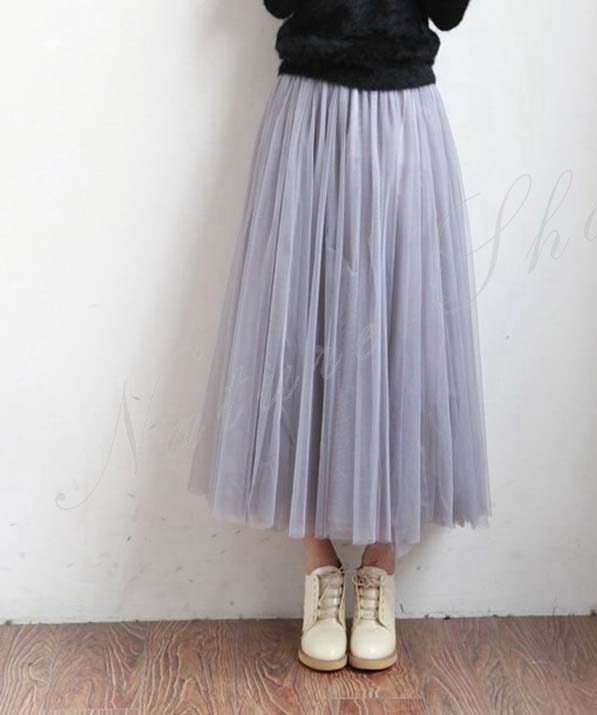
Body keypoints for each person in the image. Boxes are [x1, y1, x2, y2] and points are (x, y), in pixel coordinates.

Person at [188, 0, 492, 672]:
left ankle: (380, 564)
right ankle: (318, 564)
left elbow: (449, 11)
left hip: (402, 112)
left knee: (398, 333)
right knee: (304, 329)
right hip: (311, 111)